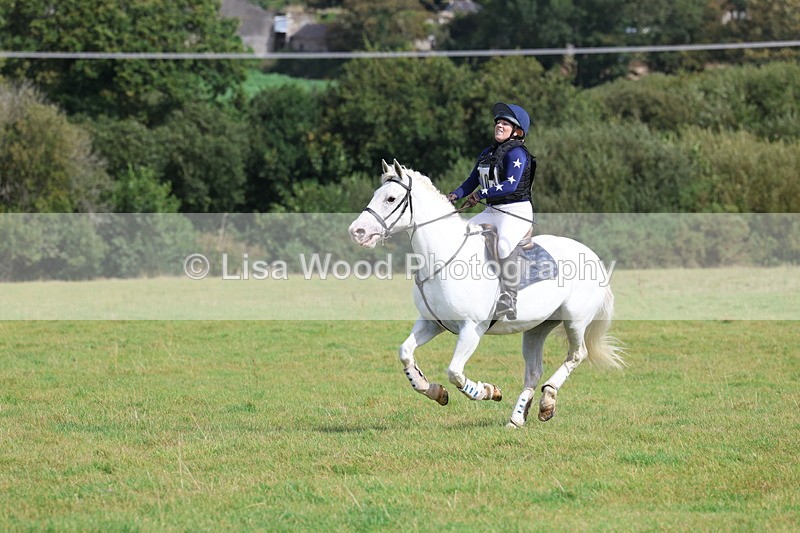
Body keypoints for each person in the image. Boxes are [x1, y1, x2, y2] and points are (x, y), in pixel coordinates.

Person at [447, 102, 536, 320]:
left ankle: (509, 297)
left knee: (504, 246)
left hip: (516, 211)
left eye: (505, 123)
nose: (499, 125)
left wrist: (481, 194)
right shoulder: (487, 153)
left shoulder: (517, 154)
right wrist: (453, 195)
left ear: (517, 131)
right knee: (461, 237)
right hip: (493, 210)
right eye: (498, 122)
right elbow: (471, 181)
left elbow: (510, 185)